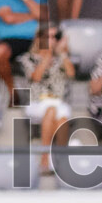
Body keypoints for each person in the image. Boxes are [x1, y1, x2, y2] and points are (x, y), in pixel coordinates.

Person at [19, 25, 75, 172]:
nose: (51, 40)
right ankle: (45, 158)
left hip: (59, 101)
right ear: (38, 39)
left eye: (55, 37)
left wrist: (62, 54)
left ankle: (61, 159)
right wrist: (47, 55)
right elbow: (36, 77)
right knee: (51, 110)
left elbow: (71, 74)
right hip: (37, 102)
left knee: (61, 117)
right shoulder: (28, 58)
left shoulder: (61, 59)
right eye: (47, 36)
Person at [0, 0, 46, 107]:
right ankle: (12, 92)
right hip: (10, 39)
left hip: (34, 39)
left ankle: (41, 97)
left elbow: (43, 16)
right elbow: (8, 18)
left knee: (48, 51)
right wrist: (31, 15)